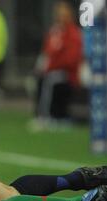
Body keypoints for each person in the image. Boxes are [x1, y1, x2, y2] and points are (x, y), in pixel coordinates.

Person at [32, 0, 83, 129]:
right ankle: (42, 114)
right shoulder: (54, 32)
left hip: (68, 73)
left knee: (50, 79)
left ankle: (45, 117)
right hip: (53, 70)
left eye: (63, 14)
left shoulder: (73, 33)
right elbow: (46, 52)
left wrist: (51, 67)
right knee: (40, 78)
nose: (60, 17)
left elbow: (71, 59)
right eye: (59, 14)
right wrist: (41, 67)